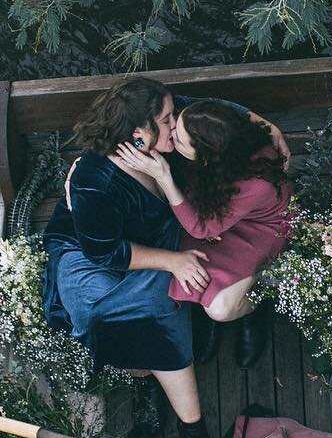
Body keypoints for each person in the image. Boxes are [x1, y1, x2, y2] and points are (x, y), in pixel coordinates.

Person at [42, 77, 289, 438]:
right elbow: (106, 253)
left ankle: (220, 320)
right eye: (168, 118)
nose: (176, 123)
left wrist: (264, 124)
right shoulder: (94, 183)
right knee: (150, 316)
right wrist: (173, 261)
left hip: (161, 238)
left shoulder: (162, 131)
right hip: (103, 265)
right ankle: (193, 431)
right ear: (139, 133)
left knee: (195, 278)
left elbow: (212, 107)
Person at [109, 98, 292, 368]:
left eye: (179, 140)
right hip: (216, 211)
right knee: (186, 263)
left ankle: (253, 306)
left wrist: (163, 177)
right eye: (176, 122)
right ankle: (202, 308)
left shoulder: (254, 184)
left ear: (207, 156)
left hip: (257, 230)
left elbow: (202, 227)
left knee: (219, 308)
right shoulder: (215, 139)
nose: (171, 134)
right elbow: (178, 100)